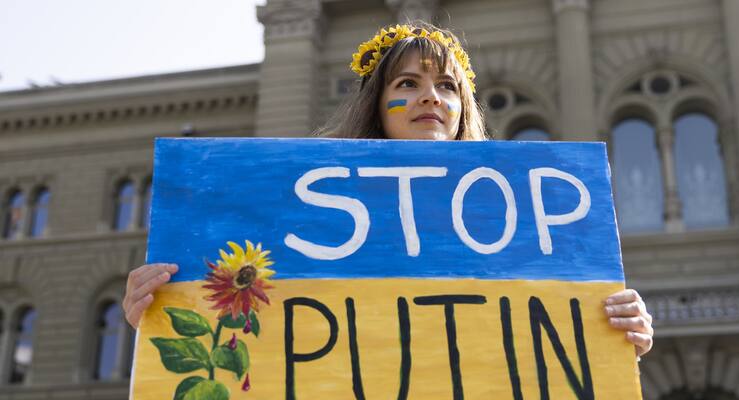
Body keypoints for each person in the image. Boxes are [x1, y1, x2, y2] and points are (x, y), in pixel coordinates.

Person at [124, 23, 653, 360]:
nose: (431, 97)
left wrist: (618, 333)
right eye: (408, 84)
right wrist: (160, 315)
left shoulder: (518, 212)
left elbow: (550, 334)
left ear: (463, 108)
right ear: (377, 104)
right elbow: (258, 328)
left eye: (447, 86)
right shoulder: (315, 210)